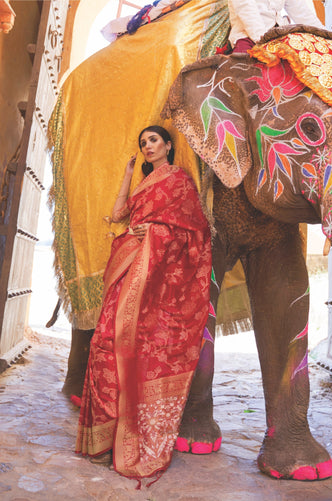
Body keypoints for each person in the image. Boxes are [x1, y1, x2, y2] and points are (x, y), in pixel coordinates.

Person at [75, 126, 212, 485]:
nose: (148, 146)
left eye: (153, 140)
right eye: (143, 143)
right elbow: (119, 214)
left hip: (155, 279)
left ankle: (132, 441)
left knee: (136, 351)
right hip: (128, 268)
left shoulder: (179, 181)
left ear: (168, 145)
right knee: (105, 343)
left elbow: (194, 233)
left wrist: (152, 233)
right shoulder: (144, 183)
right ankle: (104, 440)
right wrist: (126, 175)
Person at [228, 0, 324, 53]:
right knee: (244, 76)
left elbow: (302, 13)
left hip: (277, 35)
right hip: (248, 36)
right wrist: (263, 39)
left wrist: (325, 35)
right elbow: (246, 9)